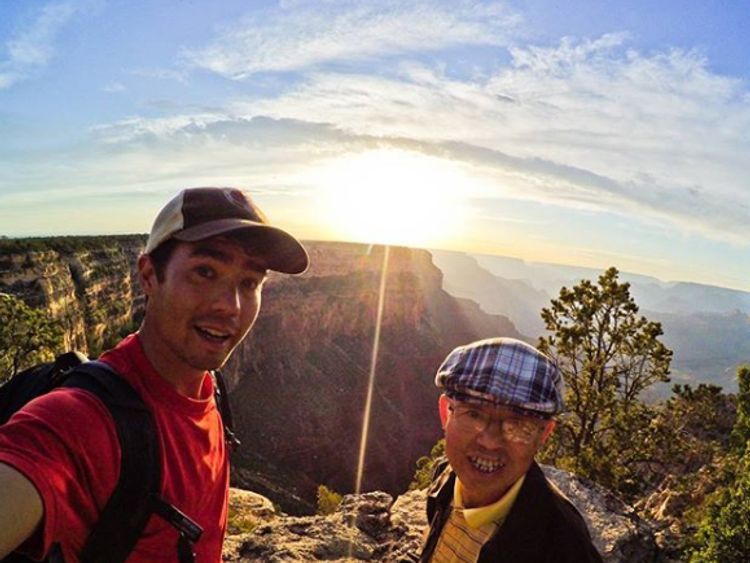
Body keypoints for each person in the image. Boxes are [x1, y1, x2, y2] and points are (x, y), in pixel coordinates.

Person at [0, 187, 309, 562]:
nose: (230, 306)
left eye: (249, 282)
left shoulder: (211, 388)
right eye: (205, 272)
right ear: (148, 275)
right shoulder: (81, 420)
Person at [419, 337, 603, 563]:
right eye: (474, 414)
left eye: (517, 424)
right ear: (446, 414)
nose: (490, 441)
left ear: (543, 434)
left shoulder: (563, 545)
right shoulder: (445, 478)